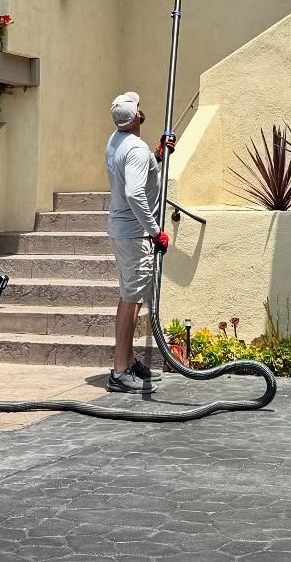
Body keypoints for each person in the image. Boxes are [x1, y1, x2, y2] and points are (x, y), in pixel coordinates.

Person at [104, 90, 171, 392]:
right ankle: (120, 371)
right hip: (133, 234)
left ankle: (129, 361)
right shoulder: (134, 149)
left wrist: (156, 155)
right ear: (137, 117)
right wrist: (156, 231)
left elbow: (136, 172)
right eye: (139, 107)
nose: (142, 109)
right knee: (130, 300)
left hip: (123, 230)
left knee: (130, 296)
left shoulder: (117, 140)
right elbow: (134, 192)